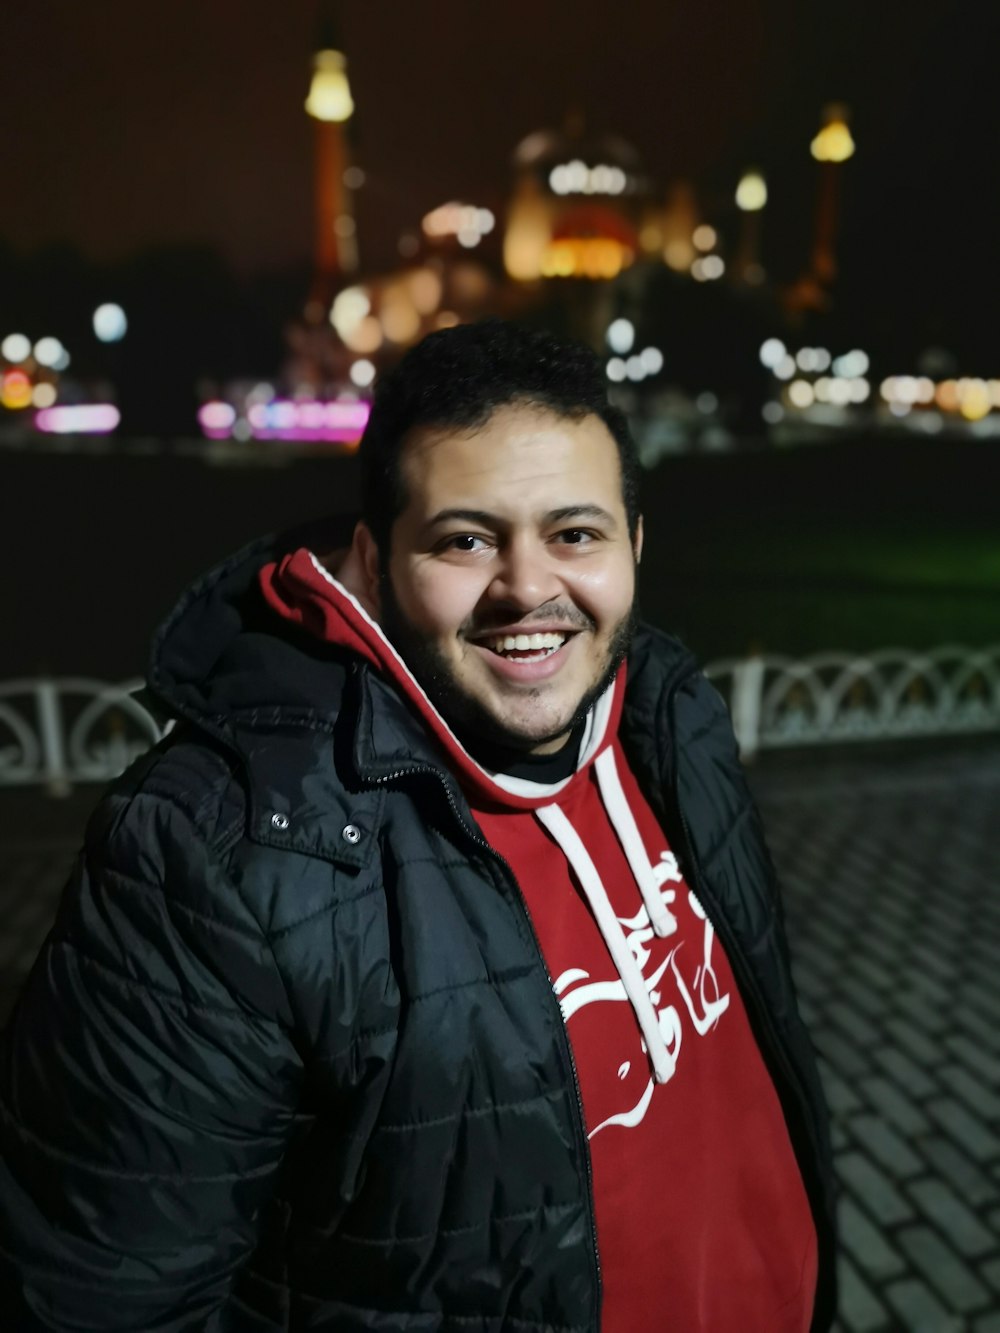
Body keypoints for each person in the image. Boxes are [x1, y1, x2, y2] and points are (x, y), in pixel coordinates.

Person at [0, 320, 836, 1331]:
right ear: (372, 557)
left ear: (633, 545)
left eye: (575, 532)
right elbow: (99, 1304)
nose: (528, 588)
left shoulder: (666, 705)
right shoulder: (211, 856)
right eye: (466, 539)